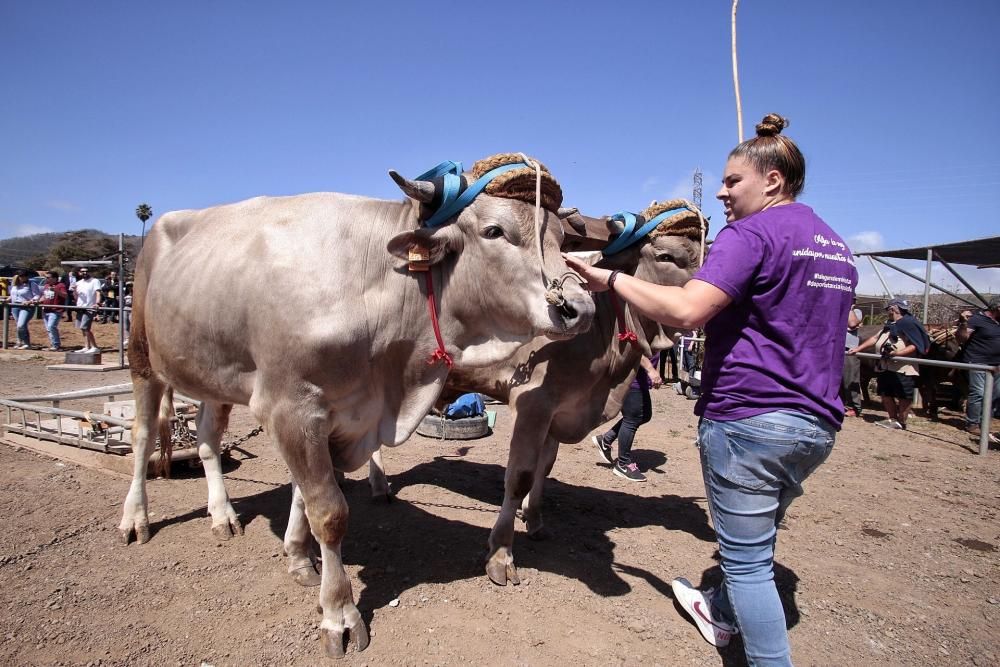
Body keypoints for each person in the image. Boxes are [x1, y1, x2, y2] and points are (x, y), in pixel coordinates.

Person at [565, 114, 856, 666]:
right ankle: (719, 605)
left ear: (772, 181)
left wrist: (608, 278)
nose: (721, 192)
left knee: (748, 566)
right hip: (816, 426)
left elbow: (687, 312)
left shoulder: (750, 234)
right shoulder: (836, 247)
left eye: (732, 180)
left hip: (750, 417)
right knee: (758, 539)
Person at [848, 298, 930, 430]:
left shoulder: (909, 323)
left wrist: (898, 353)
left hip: (903, 366)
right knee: (885, 393)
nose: (887, 312)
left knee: (904, 395)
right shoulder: (890, 324)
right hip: (885, 365)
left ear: (893, 309)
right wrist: (858, 349)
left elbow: (915, 345)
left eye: (888, 310)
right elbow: (875, 338)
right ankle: (892, 418)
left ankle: (901, 421)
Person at [592, 352, 661, 482]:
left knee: (645, 415)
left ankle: (606, 440)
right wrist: (651, 370)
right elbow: (636, 349)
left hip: (640, 380)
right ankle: (622, 464)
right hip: (630, 380)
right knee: (632, 418)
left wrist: (654, 371)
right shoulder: (640, 331)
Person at [956, 300, 1000, 442]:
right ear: (998, 308)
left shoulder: (998, 322)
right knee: (979, 392)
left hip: (997, 364)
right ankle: (972, 423)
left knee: (995, 394)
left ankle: (984, 422)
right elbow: (962, 338)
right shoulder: (977, 319)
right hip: (978, 362)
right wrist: (963, 323)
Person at [71, 267, 102, 353]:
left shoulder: (94, 281)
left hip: (90, 307)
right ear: (79, 273)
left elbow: (98, 293)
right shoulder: (78, 283)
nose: (84, 273)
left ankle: (95, 347)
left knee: (85, 327)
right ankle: (87, 346)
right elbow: (76, 297)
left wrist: (97, 303)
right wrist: (74, 290)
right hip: (80, 307)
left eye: (86, 271)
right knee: (82, 328)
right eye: (82, 271)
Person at [841, 302, 864, 417]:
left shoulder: (856, 312)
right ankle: (841, 404)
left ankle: (854, 407)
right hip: (837, 349)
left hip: (850, 350)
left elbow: (852, 323)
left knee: (850, 380)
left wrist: (849, 307)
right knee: (838, 380)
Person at [10, 270, 41, 349]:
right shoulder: (14, 285)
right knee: (19, 326)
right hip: (15, 306)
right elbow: (14, 295)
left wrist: (30, 301)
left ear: (26, 277)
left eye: (23, 276)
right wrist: (8, 299)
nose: (21, 278)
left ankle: (26, 343)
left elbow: (37, 295)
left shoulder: (31, 284)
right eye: (20, 276)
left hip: (26, 307)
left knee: (21, 324)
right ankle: (20, 342)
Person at [39, 270, 69, 351]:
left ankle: (56, 345)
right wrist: (38, 301)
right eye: (46, 277)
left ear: (55, 278)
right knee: (49, 329)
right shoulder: (46, 285)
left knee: (51, 326)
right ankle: (53, 344)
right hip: (46, 310)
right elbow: (44, 296)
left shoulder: (60, 285)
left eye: (48, 277)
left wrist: (56, 290)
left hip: (55, 310)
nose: (46, 279)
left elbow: (65, 295)